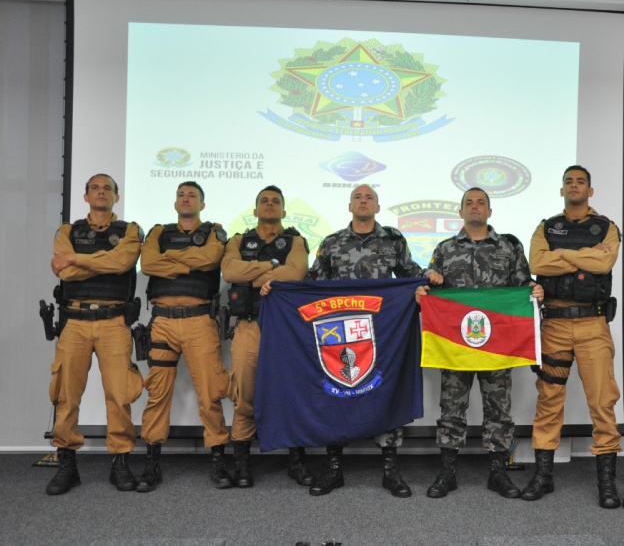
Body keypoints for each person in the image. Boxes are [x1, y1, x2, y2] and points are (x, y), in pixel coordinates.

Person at [306, 183, 437, 498]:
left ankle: (390, 471)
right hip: (338, 331)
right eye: (358, 197)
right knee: (336, 391)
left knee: (385, 389)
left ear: (377, 207)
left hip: (382, 332)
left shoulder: (392, 239)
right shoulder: (332, 242)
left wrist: (430, 277)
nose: (363, 201)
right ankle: (334, 469)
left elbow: (410, 274)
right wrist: (279, 290)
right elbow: (311, 282)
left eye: (370, 198)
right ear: (349, 205)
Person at [417, 187, 543, 500]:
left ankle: (498, 473)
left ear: (490, 211)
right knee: (451, 410)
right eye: (469, 203)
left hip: (497, 345)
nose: (475, 207)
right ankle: (447, 473)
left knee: (499, 409)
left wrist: (534, 290)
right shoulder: (446, 248)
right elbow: (429, 274)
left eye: (481, 203)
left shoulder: (509, 245)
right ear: (460, 212)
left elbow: (521, 283)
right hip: (456, 344)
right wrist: (425, 285)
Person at [523, 165, 623, 508]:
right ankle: (543, 476)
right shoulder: (547, 226)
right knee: (548, 400)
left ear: (590, 191)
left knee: (602, 402)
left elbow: (604, 265)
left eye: (581, 181)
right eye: (569, 181)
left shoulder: (607, 227)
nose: (575, 185)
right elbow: (536, 260)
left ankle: (607, 482)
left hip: (594, 325)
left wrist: (561, 255)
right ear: (561, 189)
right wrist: (582, 258)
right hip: (554, 325)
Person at [45, 173, 145, 495]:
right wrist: (88, 262)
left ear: (116, 196)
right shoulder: (67, 231)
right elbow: (65, 270)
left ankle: (120, 462)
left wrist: (76, 257)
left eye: (108, 188)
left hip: (114, 322)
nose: (101, 192)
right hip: (74, 322)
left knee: (119, 396)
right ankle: (67, 463)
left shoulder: (129, 231)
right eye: (95, 188)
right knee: (66, 396)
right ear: (86, 196)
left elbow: (123, 262)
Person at [137, 181, 232, 492]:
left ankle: (218, 459)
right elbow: (149, 263)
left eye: (192, 195)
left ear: (202, 204)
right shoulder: (157, 233)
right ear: (174, 202)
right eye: (181, 194)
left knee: (210, 393)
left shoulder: (215, 230)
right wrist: (188, 261)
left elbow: (210, 260)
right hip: (162, 321)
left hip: (199, 322)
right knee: (157, 393)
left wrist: (172, 261)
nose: (186, 198)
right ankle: (152, 461)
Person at [221, 185, 309, 488]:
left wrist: (253, 274)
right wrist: (272, 268)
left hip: (285, 329)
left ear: (284, 211)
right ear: (255, 209)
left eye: (275, 202)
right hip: (249, 326)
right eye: (264, 201)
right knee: (244, 396)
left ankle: (297, 462)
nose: (269, 205)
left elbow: (296, 273)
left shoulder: (296, 240)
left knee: (290, 395)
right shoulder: (237, 240)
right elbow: (230, 272)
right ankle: (243, 465)